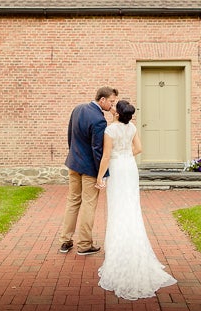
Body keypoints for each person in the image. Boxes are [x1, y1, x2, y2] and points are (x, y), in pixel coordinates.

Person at [95, 100, 177, 299]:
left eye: (115, 106)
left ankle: (119, 252)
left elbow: (106, 156)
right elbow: (139, 149)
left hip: (116, 168)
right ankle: (133, 244)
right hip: (130, 168)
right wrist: (124, 156)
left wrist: (99, 177)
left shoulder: (110, 130)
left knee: (118, 208)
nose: (112, 107)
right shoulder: (131, 127)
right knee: (131, 207)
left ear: (118, 113)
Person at [58, 86, 118, 256]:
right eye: (111, 102)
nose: (112, 106)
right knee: (88, 205)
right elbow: (97, 150)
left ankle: (65, 241)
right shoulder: (99, 120)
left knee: (73, 201)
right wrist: (102, 175)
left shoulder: (78, 108)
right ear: (102, 100)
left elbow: (70, 135)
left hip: (73, 163)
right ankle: (84, 245)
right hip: (89, 168)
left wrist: (74, 155)